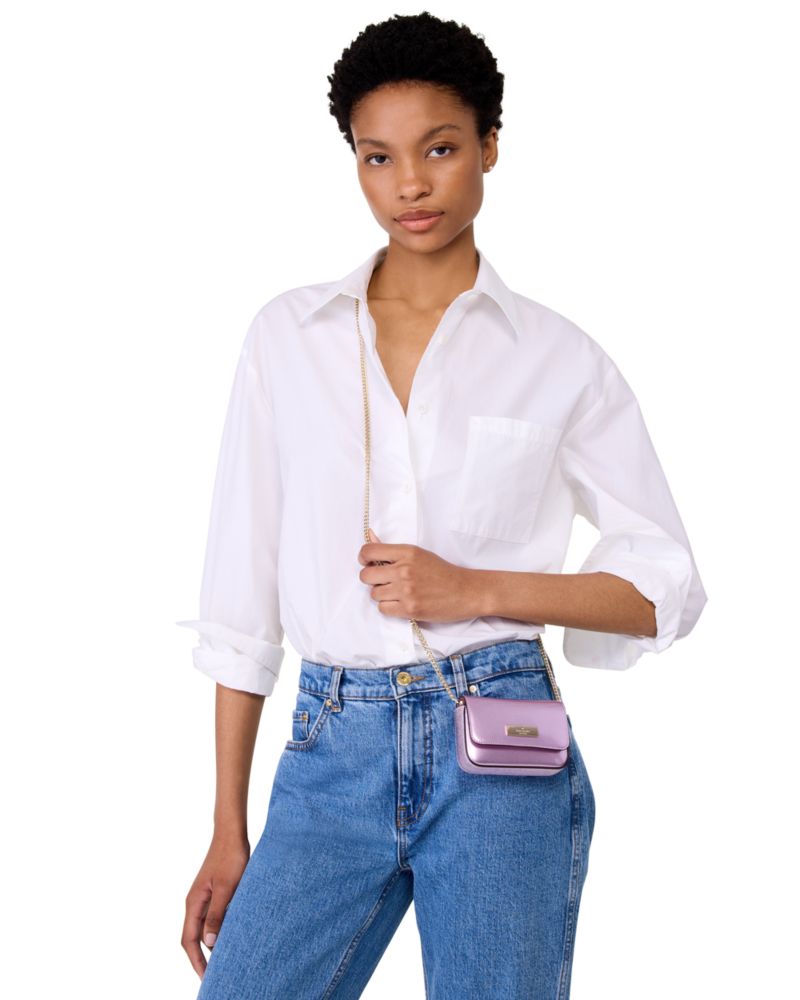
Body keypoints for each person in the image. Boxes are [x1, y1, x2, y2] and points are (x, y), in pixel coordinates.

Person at [178, 11, 707, 999]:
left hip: (502, 743)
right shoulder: (288, 337)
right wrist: (225, 825)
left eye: (439, 149)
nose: (409, 184)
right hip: (329, 743)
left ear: (489, 147)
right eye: (376, 157)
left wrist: (473, 587)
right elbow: (239, 602)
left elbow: (661, 591)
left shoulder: (558, 358)